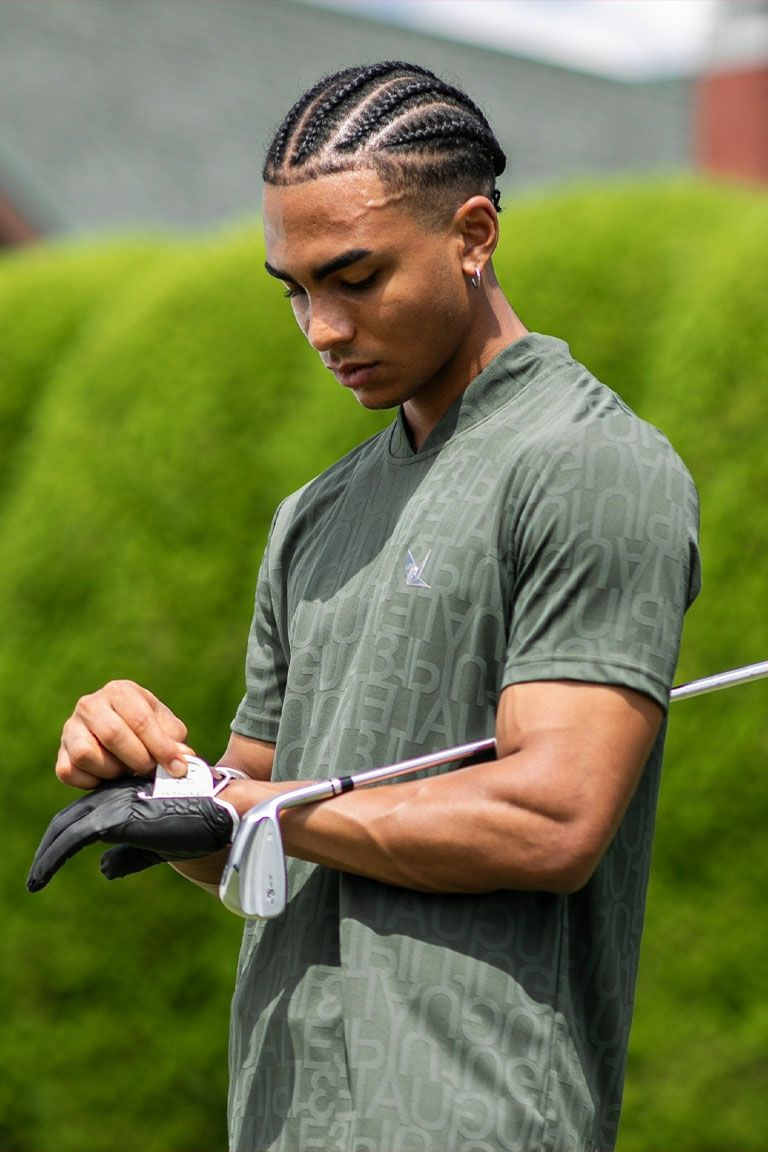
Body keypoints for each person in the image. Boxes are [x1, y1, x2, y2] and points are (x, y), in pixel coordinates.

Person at [29, 62, 701, 1152]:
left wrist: (253, 808)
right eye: (296, 289)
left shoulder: (588, 464)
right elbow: (242, 846)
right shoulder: (313, 515)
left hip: (478, 1119)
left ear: (473, 233)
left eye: (355, 276)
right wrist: (162, 784)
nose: (322, 328)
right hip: (285, 1116)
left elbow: (555, 820)